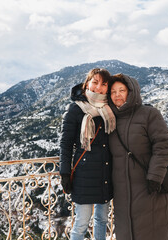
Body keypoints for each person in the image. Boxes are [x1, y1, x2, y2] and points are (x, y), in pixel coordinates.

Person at [108, 73, 168, 240]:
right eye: (113, 91)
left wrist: (154, 176)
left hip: (149, 187)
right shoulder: (109, 119)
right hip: (122, 193)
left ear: (131, 92)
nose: (117, 95)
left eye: (121, 90)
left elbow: (163, 147)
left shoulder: (149, 114)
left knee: (153, 231)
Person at [59, 68, 116, 240]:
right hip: (84, 177)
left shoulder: (109, 110)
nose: (99, 87)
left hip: (105, 174)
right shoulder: (76, 109)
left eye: (104, 84)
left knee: (101, 220)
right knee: (81, 224)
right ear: (87, 84)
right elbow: (66, 144)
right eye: (95, 82)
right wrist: (65, 173)